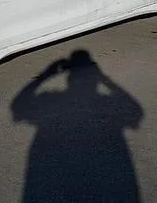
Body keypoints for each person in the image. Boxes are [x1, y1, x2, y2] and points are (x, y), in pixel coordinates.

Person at [12, 50, 144, 202]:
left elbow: (18, 107)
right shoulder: (105, 102)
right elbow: (135, 110)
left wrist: (46, 75)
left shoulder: (52, 99)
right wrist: (103, 78)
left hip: (53, 170)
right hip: (102, 172)